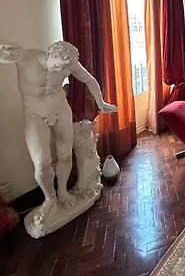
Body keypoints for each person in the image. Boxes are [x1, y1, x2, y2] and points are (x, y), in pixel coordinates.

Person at [0, 41, 117, 224]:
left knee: (65, 154)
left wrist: (101, 103)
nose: (58, 70)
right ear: (50, 54)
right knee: (41, 163)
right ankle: (50, 198)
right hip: (34, 114)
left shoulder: (69, 64)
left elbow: (89, 79)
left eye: (63, 68)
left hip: (60, 110)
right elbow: (5, 54)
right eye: (56, 65)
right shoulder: (26, 57)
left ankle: (62, 192)